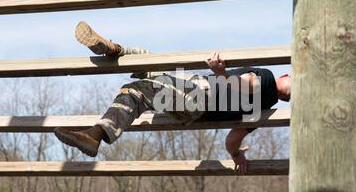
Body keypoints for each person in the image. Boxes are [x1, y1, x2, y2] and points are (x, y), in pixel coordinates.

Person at [54, 22, 292, 174]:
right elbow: (232, 140)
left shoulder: (269, 85)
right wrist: (237, 155)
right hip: (193, 98)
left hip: (199, 94)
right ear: (286, 74)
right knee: (151, 62)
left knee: (137, 90)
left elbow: (249, 85)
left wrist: (222, 74)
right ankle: (112, 49)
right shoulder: (262, 109)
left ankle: (96, 134)